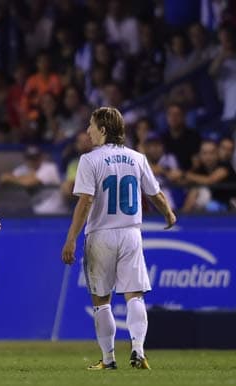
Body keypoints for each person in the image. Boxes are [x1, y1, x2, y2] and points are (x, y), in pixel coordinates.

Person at [61, 107, 176, 370]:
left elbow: (85, 202)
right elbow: (155, 194)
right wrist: (169, 213)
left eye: (91, 125)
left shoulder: (89, 160)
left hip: (101, 235)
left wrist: (71, 239)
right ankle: (138, 350)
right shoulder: (137, 158)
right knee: (134, 296)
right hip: (131, 234)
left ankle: (109, 358)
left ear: (102, 129)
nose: (87, 130)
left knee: (102, 301)